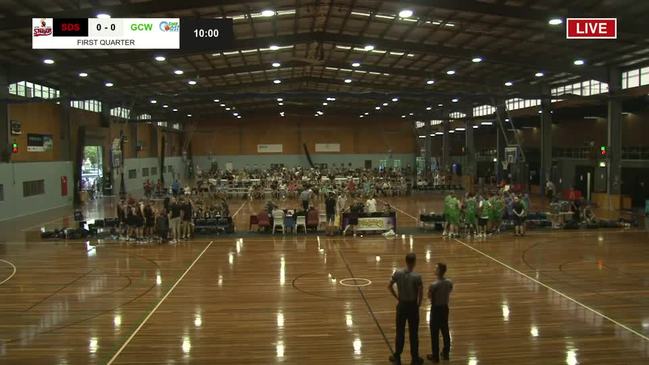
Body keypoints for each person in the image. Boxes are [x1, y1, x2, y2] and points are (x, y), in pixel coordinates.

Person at [388, 253, 424, 365]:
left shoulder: (397, 273)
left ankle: (397, 356)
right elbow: (421, 292)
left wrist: (397, 297)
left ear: (406, 260)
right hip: (412, 306)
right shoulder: (417, 276)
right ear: (414, 262)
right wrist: (419, 304)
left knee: (400, 332)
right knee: (414, 333)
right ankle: (414, 359)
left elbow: (389, 286)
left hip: (402, 305)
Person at [428, 263, 453, 363]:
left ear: (439, 271)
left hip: (436, 309)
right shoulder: (449, 282)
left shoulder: (434, 285)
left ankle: (435, 356)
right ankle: (446, 353)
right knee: (445, 330)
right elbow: (450, 290)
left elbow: (430, 296)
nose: (434, 269)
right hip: (445, 308)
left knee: (434, 333)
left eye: (436, 268)